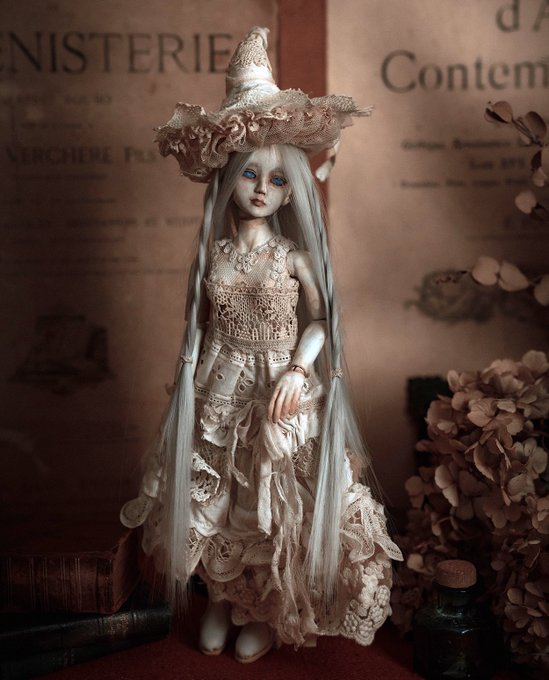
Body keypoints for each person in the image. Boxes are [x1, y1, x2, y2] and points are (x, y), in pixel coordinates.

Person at [120, 27, 402, 663]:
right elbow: (197, 324)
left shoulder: (291, 256)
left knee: (272, 495)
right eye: (250, 174)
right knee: (217, 493)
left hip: (279, 384)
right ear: (229, 177)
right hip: (219, 382)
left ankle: (264, 609)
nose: (261, 190)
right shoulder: (215, 256)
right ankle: (219, 600)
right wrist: (188, 387)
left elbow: (322, 319)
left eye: (276, 181)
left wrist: (301, 370)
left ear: (289, 191)